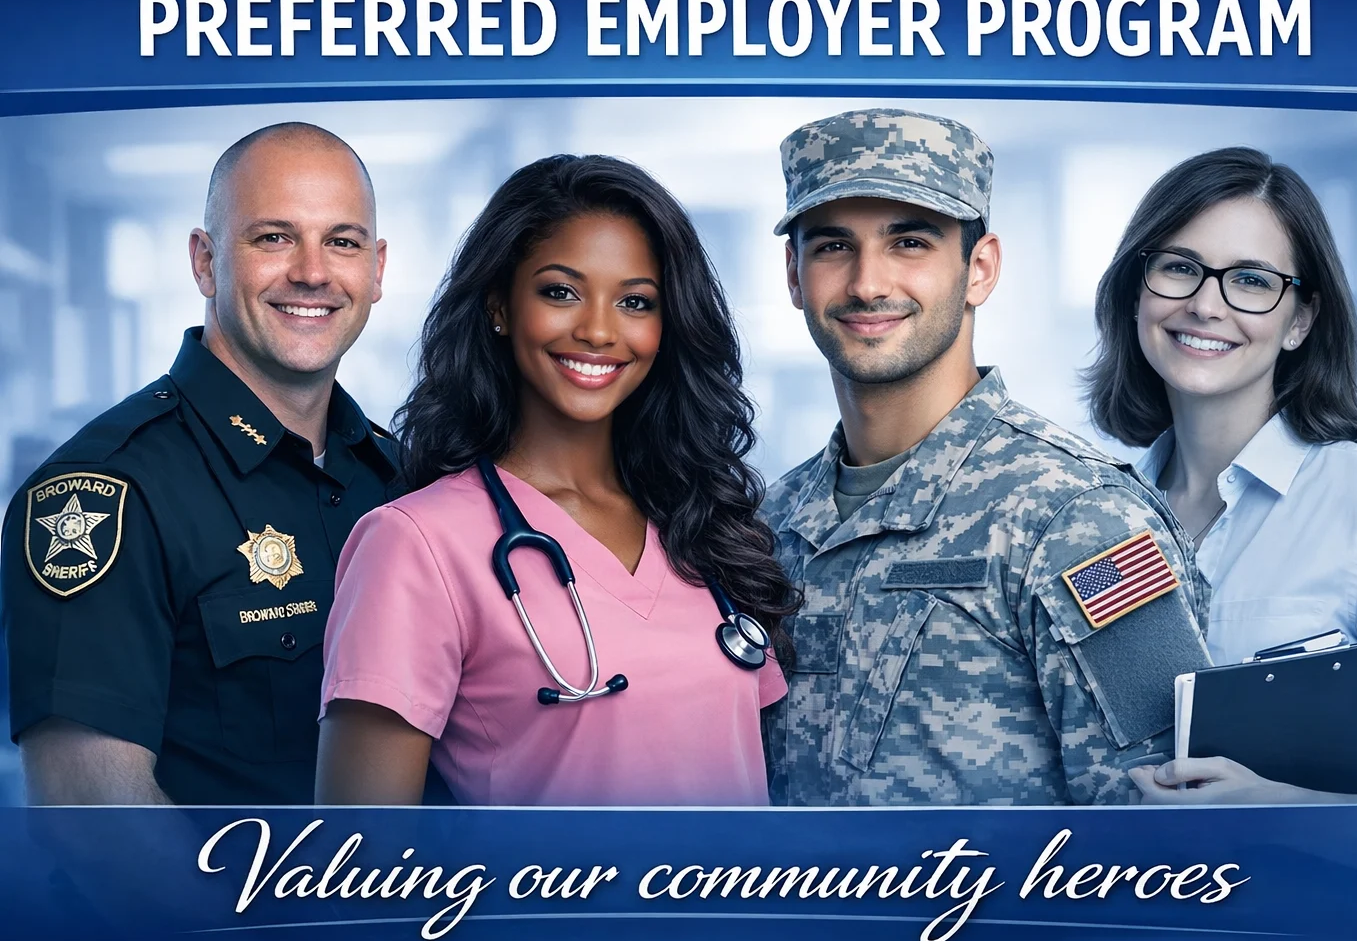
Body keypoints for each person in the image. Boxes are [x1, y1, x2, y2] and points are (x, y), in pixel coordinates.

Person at [314, 154, 799, 806]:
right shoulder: (414, 545)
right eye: (560, 291)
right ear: (499, 307)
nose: (598, 330)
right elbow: (359, 862)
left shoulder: (702, 523)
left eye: (635, 301)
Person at [760, 108, 1212, 806]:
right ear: (794, 275)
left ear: (980, 269)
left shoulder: (1082, 522)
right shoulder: (767, 526)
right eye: (832, 247)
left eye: (909, 243)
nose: (867, 283)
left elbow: (1170, 826)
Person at [1081, 146, 1357, 804]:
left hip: (1327, 905)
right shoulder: (1092, 523)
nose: (1207, 305)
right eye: (1180, 268)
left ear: (1299, 321)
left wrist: (1287, 808)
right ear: (1135, 293)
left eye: (1252, 281)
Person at [2, 122, 397, 804]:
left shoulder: (398, 476)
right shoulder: (102, 496)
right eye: (273, 237)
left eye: (342, 241)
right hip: (229, 912)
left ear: (377, 269)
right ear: (205, 262)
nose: (312, 271)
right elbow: (94, 824)